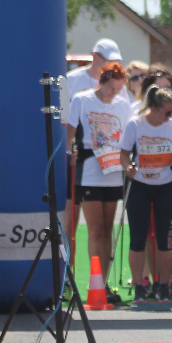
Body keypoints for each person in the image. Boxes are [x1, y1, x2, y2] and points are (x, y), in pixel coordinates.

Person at [118, 86, 172, 303]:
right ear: (153, 108)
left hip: (166, 187)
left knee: (166, 240)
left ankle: (163, 286)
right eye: (167, 112)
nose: (171, 117)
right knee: (138, 239)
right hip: (140, 186)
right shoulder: (135, 124)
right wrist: (128, 167)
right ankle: (140, 287)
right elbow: (124, 154)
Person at [66, 61, 132, 304]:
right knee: (95, 229)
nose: (112, 94)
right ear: (101, 81)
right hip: (89, 169)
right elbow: (69, 134)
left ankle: (103, 284)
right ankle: (94, 285)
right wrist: (69, 154)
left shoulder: (123, 105)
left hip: (113, 171)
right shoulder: (82, 100)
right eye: (109, 89)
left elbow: (128, 136)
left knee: (107, 228)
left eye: (117, 89)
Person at [66, 39, 134, 102]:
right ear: (95, 57)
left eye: (115, 61)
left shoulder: (118, 85)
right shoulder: (71, 79)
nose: (112, 64)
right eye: (108, 60)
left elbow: (124, 110)